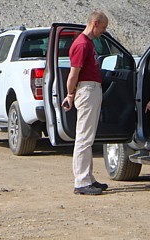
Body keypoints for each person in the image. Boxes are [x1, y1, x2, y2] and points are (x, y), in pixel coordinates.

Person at [61, 10, 109, 196]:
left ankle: (88, 177)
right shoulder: (81, 44)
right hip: (86, 90)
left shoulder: (89, 43)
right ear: (95, 23)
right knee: (83, 137)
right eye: (103, 27)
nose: (103, 31)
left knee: (88, 137)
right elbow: (73, 74)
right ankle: (81, 181)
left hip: (92, 89)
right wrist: (70, 94)